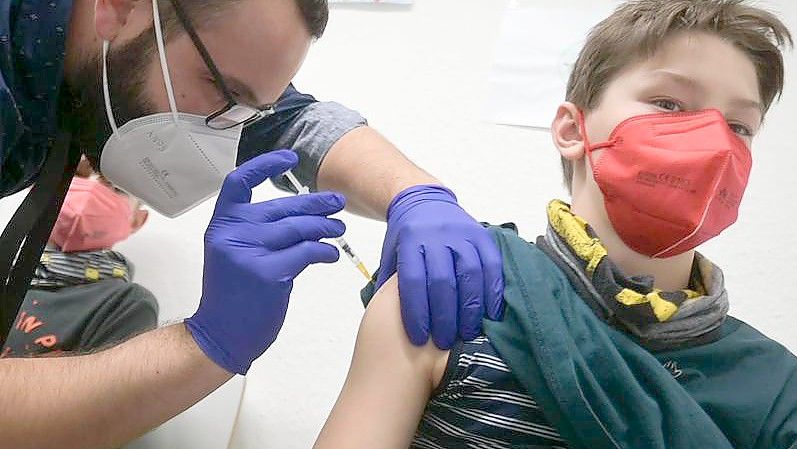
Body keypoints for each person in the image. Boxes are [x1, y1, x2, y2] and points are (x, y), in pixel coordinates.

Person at [0, 0, 505, 447]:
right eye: (220, 89)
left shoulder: (82, 62)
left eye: (246, 112)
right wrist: (207, 342)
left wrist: (416, 195)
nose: (223, 139)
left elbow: (297, 123)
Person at [313, 1, 797, 448]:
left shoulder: (776, 388)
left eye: (738, 127)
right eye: (668, 104)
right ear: (572, 130)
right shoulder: (455, 290)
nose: (713, 144)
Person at [3, 168, 156, 358]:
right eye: (74, 174)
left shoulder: (124, 305)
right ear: (35, 187)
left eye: (117, 187)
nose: (90, 190)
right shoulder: (6, 268)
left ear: (136, 220)